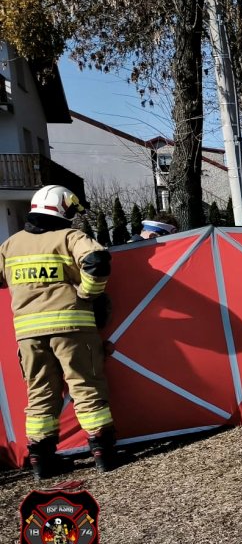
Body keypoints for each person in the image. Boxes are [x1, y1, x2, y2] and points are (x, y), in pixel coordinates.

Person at [0, 186, 116, 477]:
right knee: (86, 387)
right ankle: (102, 451)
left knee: (39, 393)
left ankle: (41, 459)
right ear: (64, 209)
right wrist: (88, 294)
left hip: (28, 334)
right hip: (73, 328)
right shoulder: (70, 237)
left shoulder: (10, 245)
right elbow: (97, 261)